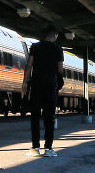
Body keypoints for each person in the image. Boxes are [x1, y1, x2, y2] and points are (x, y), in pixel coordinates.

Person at [21, 29, 64, 157]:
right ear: (55, 35)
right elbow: (60, 68)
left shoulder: (35, 47)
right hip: (50, 86)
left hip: (36, 86)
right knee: (49, 118)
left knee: (35, 117)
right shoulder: (58, 49)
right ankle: (48, 149)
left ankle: (35, 148)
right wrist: (59, 82)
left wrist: (25, 82)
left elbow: (29, 66)